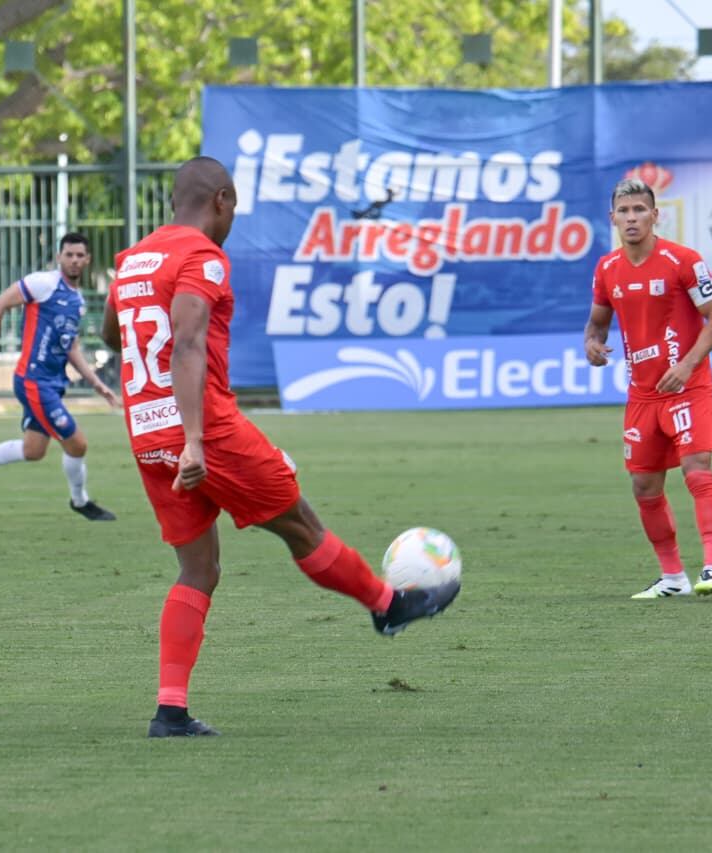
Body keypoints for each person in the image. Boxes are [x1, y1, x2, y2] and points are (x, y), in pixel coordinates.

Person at [101, 157, 458, 738]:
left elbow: (113, 334)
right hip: (205, 431)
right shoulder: (202, 256)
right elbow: (187, 341)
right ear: (222, 199)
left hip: (147, 431)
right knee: (300, 524)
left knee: (198, 568)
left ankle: (170, 710)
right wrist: (195, 441)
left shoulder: (133, 259)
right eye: (234, 206)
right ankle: (386, 605)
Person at [584, 177, 712, 600]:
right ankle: (673, 579)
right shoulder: (607, 268)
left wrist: (686, 366)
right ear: (612, 218)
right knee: (644, 487)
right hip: (643, 394)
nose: (632, 218)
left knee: (697, 469)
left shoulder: (683, 261)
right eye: (624, 211)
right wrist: (592, 344)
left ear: (654, 215)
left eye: (639, 210)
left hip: (687, 386)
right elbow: (597, 322)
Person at [0, 232, 119, 520]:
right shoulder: (43, 284)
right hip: (34, 381)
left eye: (79, 256)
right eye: (68, 255)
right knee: (78, 443)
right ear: (60, 257)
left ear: (87, 260)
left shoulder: (76, 299)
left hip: (52, 383)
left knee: (34, 449)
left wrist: (97, 383)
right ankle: (80, 501)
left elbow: (71, 345)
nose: (74, 260)